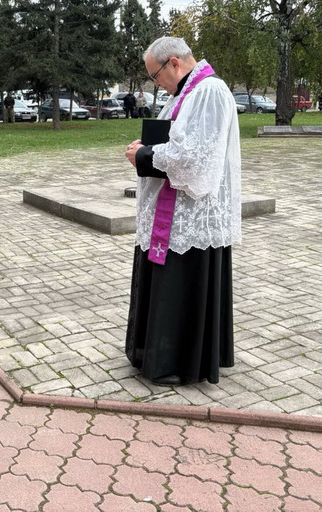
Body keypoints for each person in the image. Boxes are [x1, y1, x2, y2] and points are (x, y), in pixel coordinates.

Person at [124, 36, 241, 386]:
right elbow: (176, 143)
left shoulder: (209, 92)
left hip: (190, 215)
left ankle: (180, 361)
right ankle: (158, 354)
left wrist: (144, 156)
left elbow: (195, 160)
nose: (156, 83)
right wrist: (146, 147)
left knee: (180, 289)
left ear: (174, 63)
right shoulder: (186, 93)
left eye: (155, 75)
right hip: (173, 212)